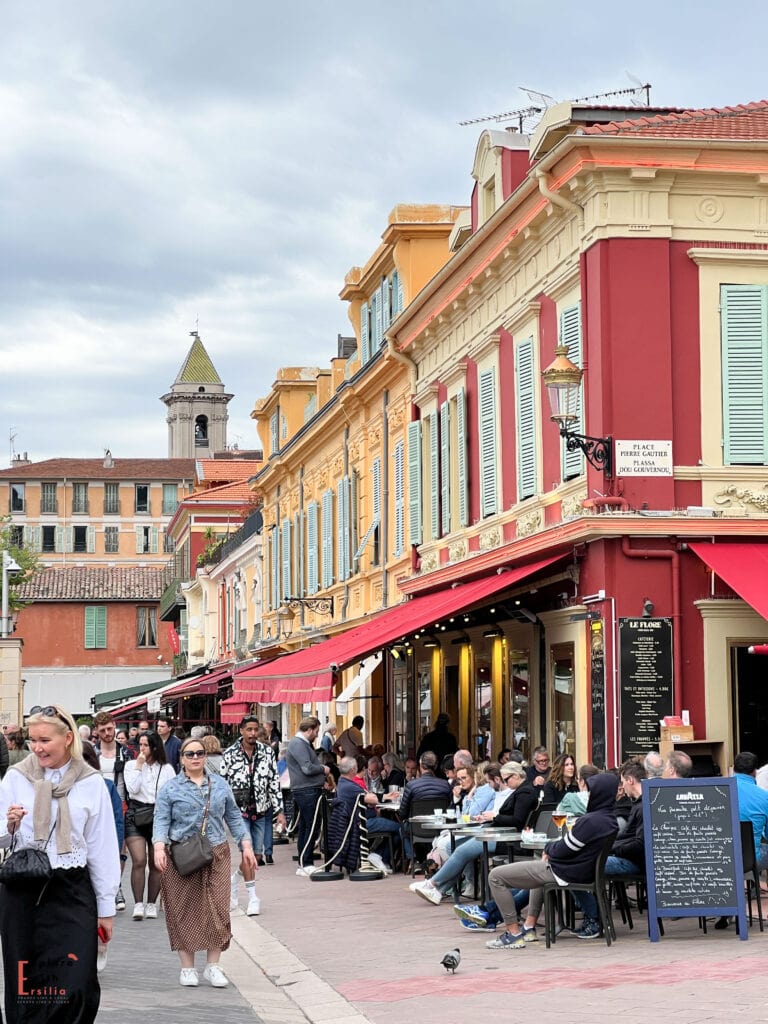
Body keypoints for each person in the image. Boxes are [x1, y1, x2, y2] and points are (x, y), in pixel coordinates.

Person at [0, 704, 120, 1022]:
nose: (37, 748)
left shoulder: (91, 782)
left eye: (45, 740)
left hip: (72, 890)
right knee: (28, 986)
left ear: (68, 738)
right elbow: (1, 836)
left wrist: (106, 908)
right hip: (23, 892)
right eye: (32, 740)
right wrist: (9, 825)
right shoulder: (15, 778)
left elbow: (102, 847)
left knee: (78, 984)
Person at [153, 736, 257, 988]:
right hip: (182, 855)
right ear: (182, 758)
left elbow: (233, 816)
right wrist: (158, 846)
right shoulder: (170, 788)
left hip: (217, 853)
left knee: (218, 908)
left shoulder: (220, 785)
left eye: (200, 753)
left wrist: (246, 845)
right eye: (190, 754)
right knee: (183, 909)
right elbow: (161, 819)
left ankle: (213, 966)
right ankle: (187, 968)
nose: (196, 758)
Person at [484, 772, 619, 947]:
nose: (587, 795)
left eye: (591, 791)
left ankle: (513, 933)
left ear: (599, 794)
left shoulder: (591, 821)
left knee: (495, 876)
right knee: (541, 867)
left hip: (564, 872)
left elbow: (565, 848)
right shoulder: (610, 820)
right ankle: (529, 927)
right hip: (580, 871)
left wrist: (548, 849)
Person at [411, 761, 538, 905]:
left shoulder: (525, 792)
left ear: (516, 776)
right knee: (459, 851)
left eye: (506, 779)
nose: (505, 783)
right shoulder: (522, 791)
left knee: (461, 852)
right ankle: (438, 890)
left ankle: (433, 884)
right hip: (498, 834)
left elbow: (518, 820)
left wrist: (494, 817)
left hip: (504, 838)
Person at [221, 715, 286, 911]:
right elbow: (222, 784)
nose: (252, 733)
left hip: (262, 810)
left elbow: (274, 782)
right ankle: (252, 897)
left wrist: (280, 811)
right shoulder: (230, 754)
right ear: (241, 730)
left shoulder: (267, 752)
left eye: (255, 729)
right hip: (239, 813)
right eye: (248, 729)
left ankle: (234, 880)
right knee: (247, 854)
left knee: (256, 857)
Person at [81, 741, 124, 973]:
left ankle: (100, 946)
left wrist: (116, 853)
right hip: (75, 861)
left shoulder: (104, 786)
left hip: (98, 855)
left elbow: (116, 822)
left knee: (99, 904)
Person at [124, 730, 175, 921]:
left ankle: (152, 903)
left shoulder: (167, 769)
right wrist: (138, 766)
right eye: (140, 745)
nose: (142, 749)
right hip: (136, 814)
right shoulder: (131, 765)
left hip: (158, 816)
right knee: (138, 860)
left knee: (156, 862)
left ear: (154, 747)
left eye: (146, 745)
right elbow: (132, 789)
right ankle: (138, 903)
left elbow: (171, 794)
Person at [716, 751, 768, 931]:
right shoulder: (764, 797)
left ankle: (726, 911)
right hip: (750, 859)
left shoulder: (716, 791)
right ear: (755, 772)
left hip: (716, 857)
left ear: (733, 769)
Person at [286, 717, 332, 876]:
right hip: (307, 790)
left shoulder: (300, 744)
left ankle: (303, 862)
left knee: (307, 826)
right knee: (312, 826)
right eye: (317, 731)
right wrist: (323, 769)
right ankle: (306, 862)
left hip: (307, 788)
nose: (317, 735)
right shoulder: (299, 744)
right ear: (310, 729)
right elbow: (307, 768)